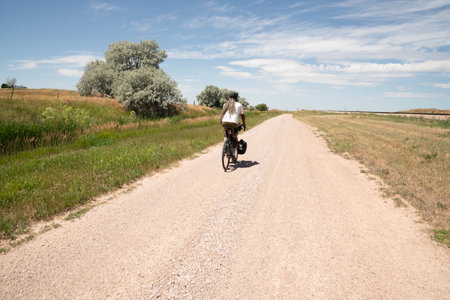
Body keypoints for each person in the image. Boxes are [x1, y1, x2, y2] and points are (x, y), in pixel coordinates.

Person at [219, 91, 246, 159]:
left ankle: (225, 142)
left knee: (226, 132)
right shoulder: (239, 105)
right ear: (236, 98)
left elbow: (224, 114)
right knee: (234, 138)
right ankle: (233, 153)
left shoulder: (225, 104)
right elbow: (242, 116)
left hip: (224, 122)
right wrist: (244, 123)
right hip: (233, 123)